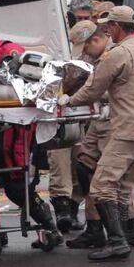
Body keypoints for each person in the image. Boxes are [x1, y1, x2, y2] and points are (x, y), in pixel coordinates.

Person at [59, 6, 134, 261]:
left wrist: (67, 102)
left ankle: (116, 240)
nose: (106, 30)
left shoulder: (117, 54)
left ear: (115, 27)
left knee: (103, 185)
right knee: (123, 188)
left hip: (126, 127)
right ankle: (126, 232)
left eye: (108, 26)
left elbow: (93, 89)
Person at [47, 22, 95, 233]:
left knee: (80, 164)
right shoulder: (58, 55)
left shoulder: (104, 58)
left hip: (85, 119)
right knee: (59, 163)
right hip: (60, 118)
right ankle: (63, 211)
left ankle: (73, 208)